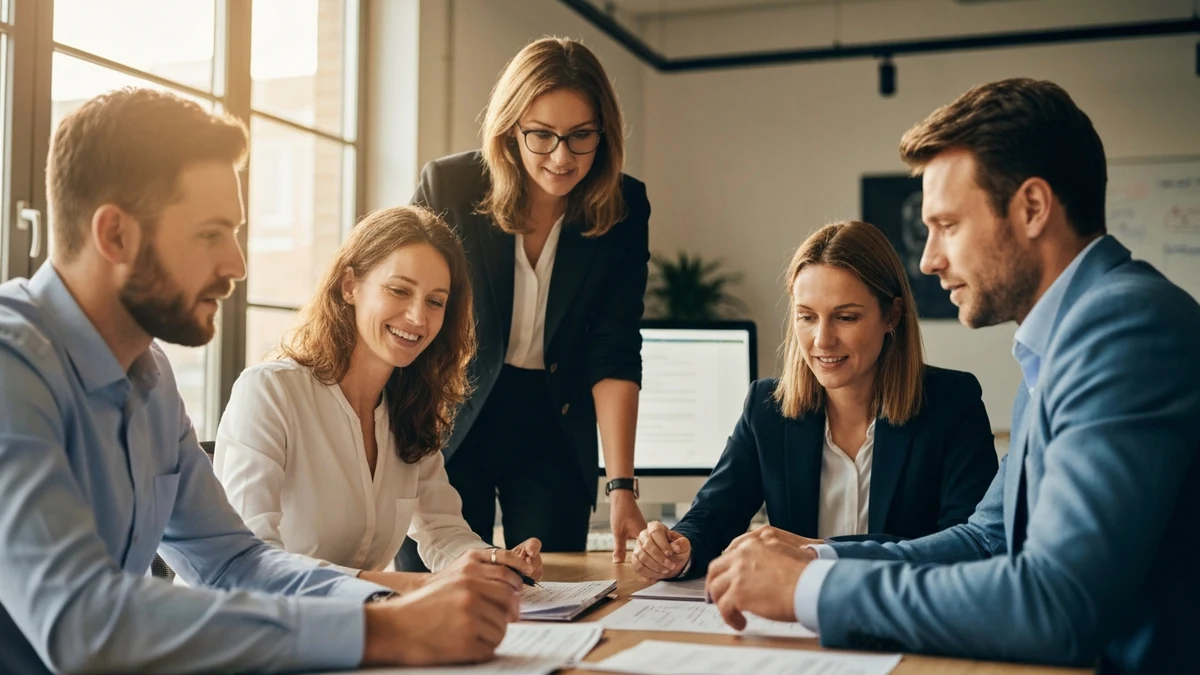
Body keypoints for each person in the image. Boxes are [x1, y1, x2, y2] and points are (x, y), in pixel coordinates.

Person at [0, 88, 519, 674]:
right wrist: (383, 628)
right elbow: (82, 623)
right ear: (116, 235)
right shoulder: (11, 367)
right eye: (210, 234)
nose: (237, 265)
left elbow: (233, 562)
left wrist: (392, 603)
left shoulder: (152, 378)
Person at [704, 78, 1200, 674]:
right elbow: (984, 539)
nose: (928, 259)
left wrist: (809, 591)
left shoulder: (1124, 329)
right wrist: (817, 559)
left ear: (1033, 208)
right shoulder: (1060, 342)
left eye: (948, 225)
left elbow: (1058, 604)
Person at [397, 36, 651, 568]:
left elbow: (614, 348)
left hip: (553, 422)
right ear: (511, 129)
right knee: (436, 581)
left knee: (552, 586)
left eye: (581, 136)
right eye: (542, 135)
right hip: (450, 406)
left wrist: (622, 487)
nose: (562, 157)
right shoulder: (450, 185)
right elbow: (402, 309)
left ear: (603, 134)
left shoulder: (624, 206)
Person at [631, 220, 998, 582]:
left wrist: (818, 551)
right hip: (797, 613)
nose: (822, 340)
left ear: (892, 315)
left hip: (905, 610)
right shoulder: (766, 408)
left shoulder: (953, 403)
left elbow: (971, 547)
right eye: (807, 317)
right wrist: (678, 550)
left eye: (845, 317)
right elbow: (713, 516)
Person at [214, 205, 543, 593]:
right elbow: (249, 563)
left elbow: (443, 530)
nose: (418, 318)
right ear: (349, 285)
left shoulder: (410, 409)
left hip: (349, 621)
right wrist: (408, 587)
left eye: (435, 301)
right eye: (399, 290)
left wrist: (494, 562)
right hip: (249, 623)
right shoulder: (270, 391)